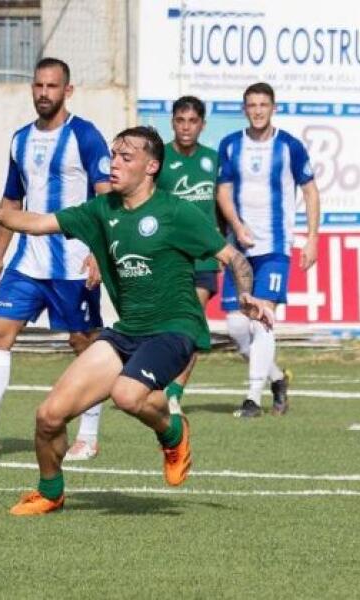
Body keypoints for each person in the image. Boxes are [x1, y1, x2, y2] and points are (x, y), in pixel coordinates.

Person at [0, 126, 273, 515]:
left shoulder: (175, 212)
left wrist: (246, 294)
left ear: (151, 166)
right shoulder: (101, 211)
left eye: (127, 157)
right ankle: (50, 491)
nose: (115, 164)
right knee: (48, 417)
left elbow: (234, 258)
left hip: (175, 329)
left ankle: (173, 432)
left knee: (127, 394)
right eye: (114, 155)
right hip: (126, 333)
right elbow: (40, 222)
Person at [0, 57, 110, 462]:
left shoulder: (86, 137)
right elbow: (11, 200)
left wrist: (99, 254)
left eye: (52, 87)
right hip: (27, 261)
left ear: (67, 91)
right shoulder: (19, 140)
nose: (43, 93)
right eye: (38, 86)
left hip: (73, 261)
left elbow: (106, 199)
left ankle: (88, 434)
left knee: (85, 343)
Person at [215, 82, 320, 418]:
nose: (258, 110)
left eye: (263, 104)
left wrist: (313, 237)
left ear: (273, 107)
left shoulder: (289, 146)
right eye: (251, 105)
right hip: (238, 250)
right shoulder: (231, 145)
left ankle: (252, 399)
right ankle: (276, 378)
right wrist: (237, 225)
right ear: (244, 109)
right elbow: (223, 192)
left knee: (261, 321)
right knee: (235, 326)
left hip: (275, 248)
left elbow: (311, 192)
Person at [155, 95, 221, 409]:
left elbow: (223, 203)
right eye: (180, 120)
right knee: (167, 325)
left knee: (191, 322)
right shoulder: (159, 160)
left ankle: (174, 396)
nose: (186, 127)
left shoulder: (213, 160)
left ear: (202, 124)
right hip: (169, 257)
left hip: (204, 258)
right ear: (172, 122)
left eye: (192, 121)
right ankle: (157, 384)